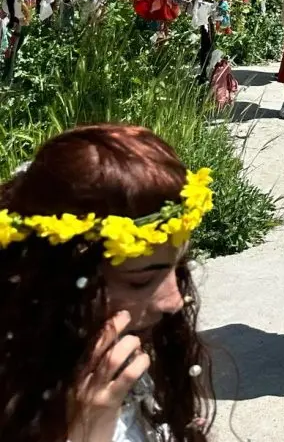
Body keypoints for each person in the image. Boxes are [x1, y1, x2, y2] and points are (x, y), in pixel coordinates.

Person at [0, 124, 216, 442]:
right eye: (140, 281)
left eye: (177, 269)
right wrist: (88, 430)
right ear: (56, 281)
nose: (174, 300)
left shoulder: (136, 360)